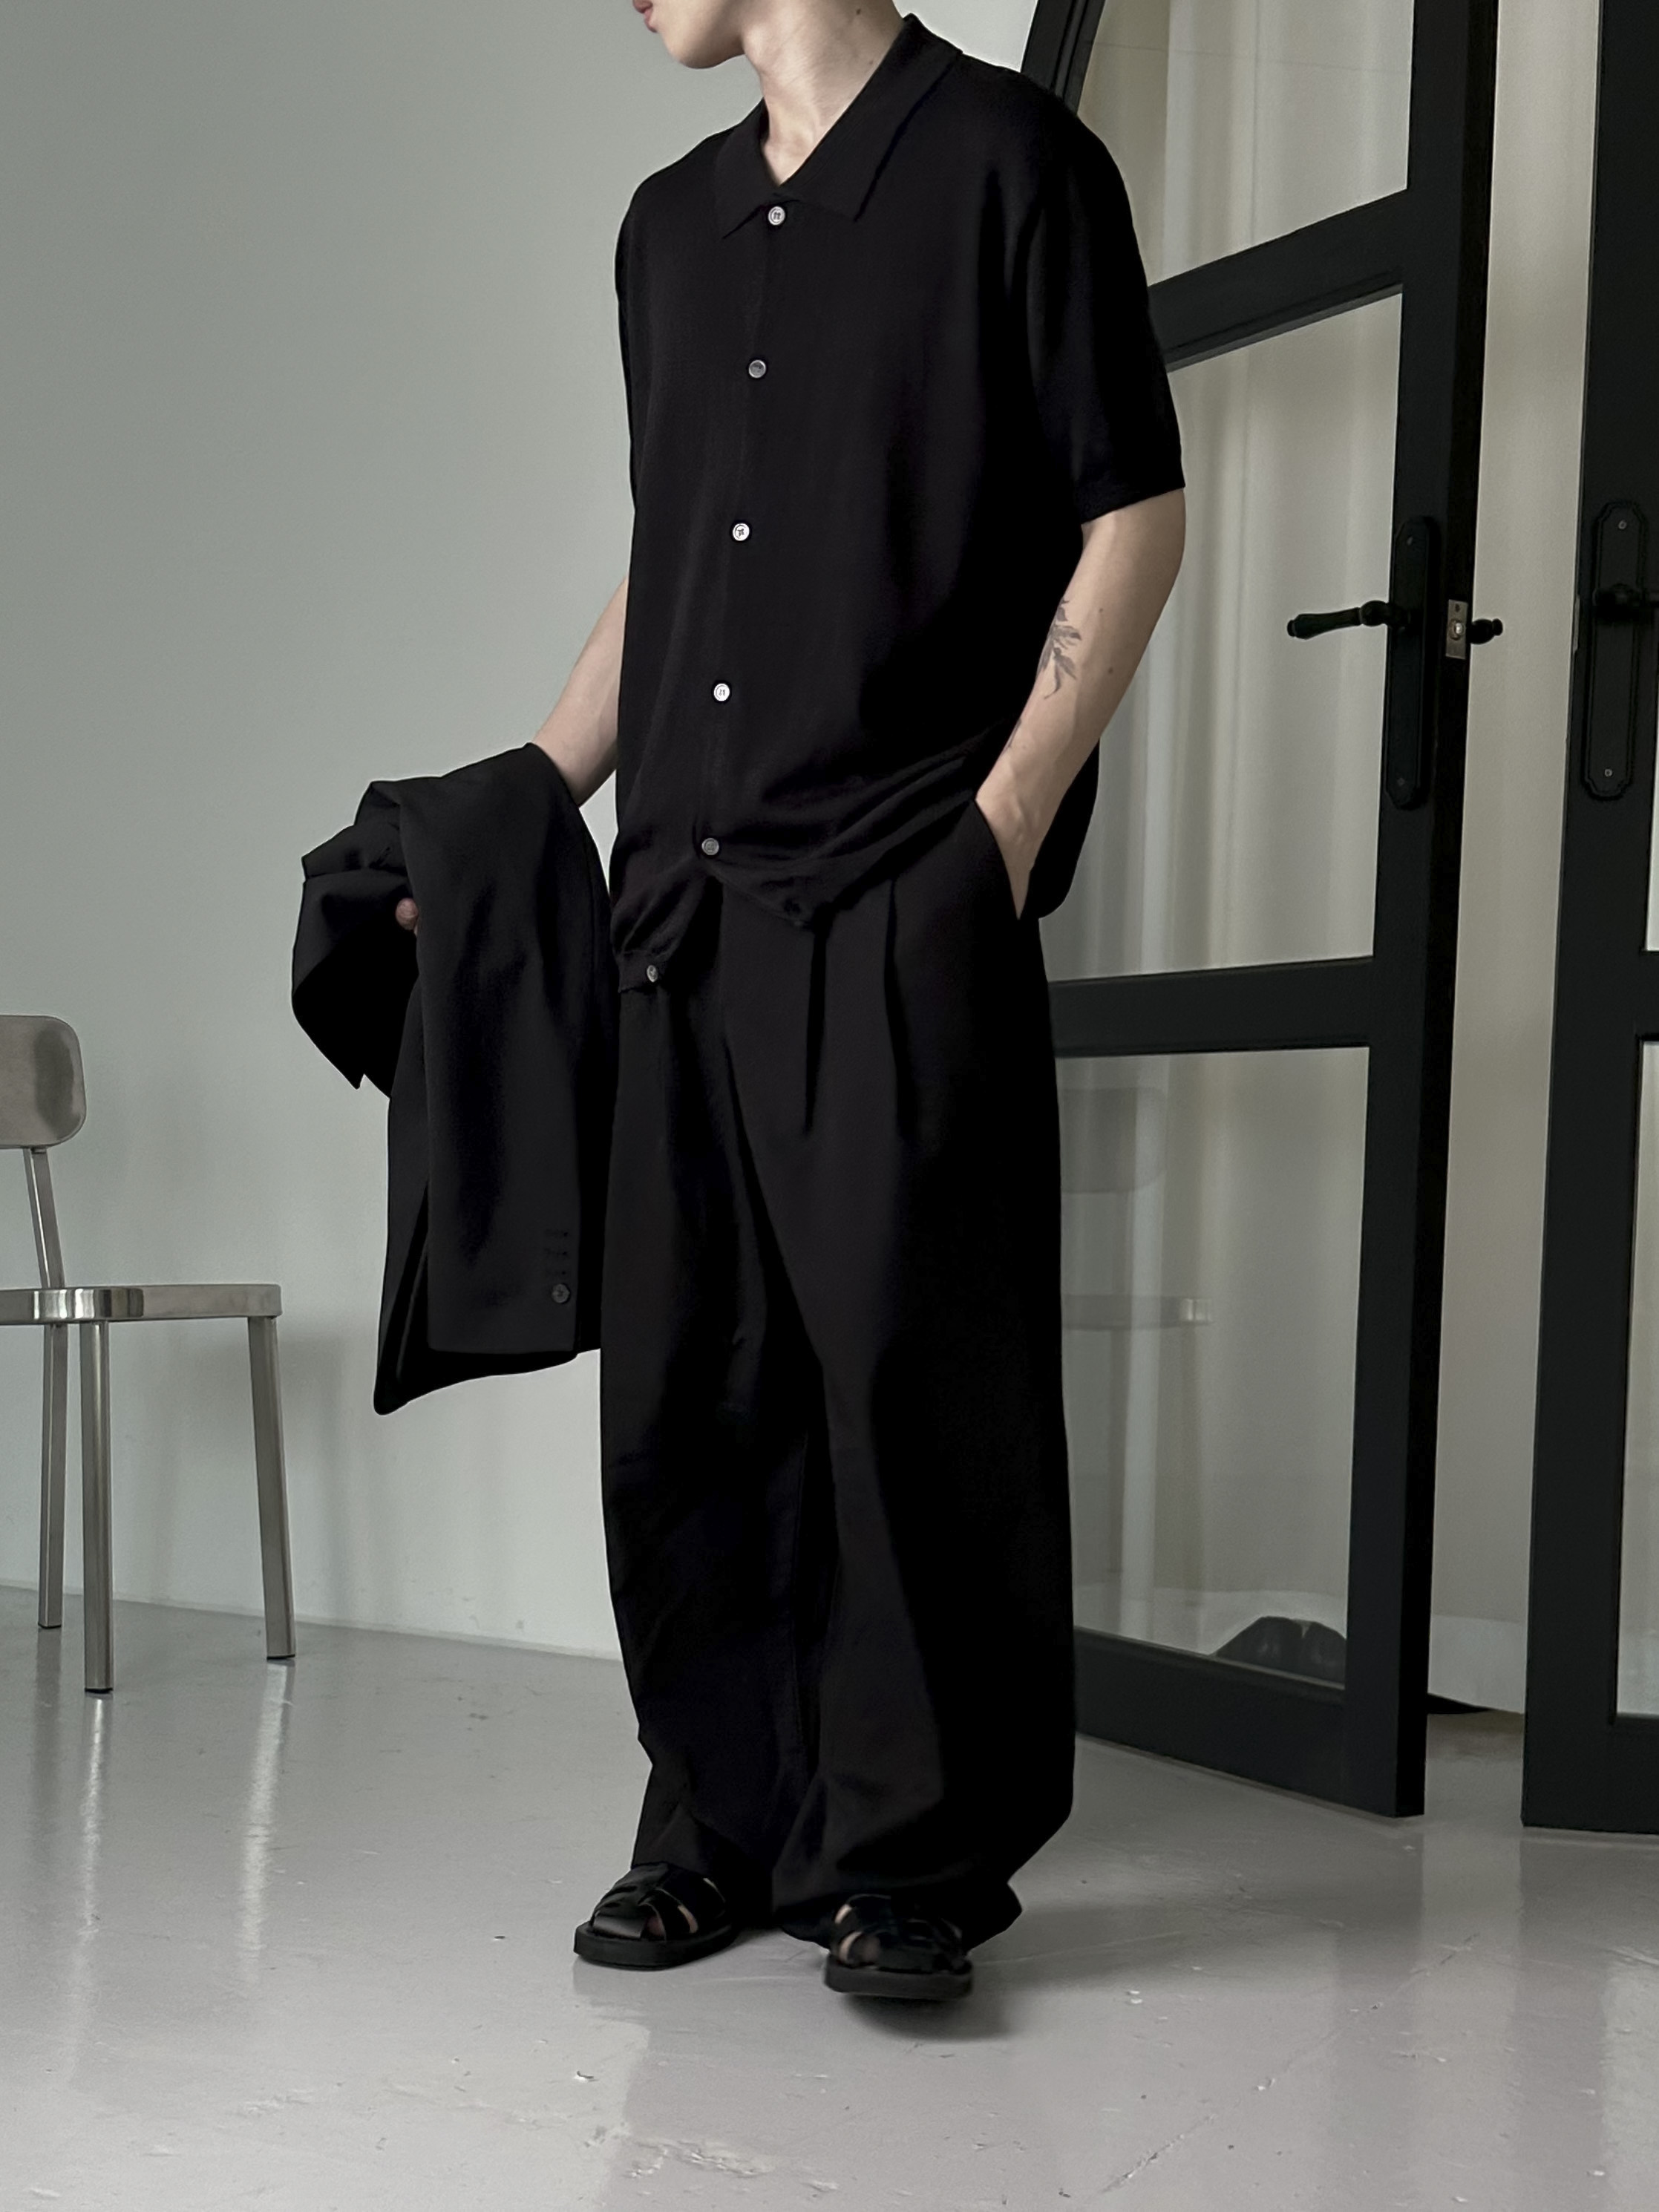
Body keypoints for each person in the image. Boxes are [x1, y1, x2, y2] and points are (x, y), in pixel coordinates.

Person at [402, 0, 1183, 2001]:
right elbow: (669, 558)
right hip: (681, 898)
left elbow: (1131, 507)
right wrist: (522, 799)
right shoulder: (665, 230)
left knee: (913, 1384)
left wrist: (999, 833)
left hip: (898, 876)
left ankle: (908, 1856)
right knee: (691, 1387)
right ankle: (715, 1826)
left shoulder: (1013, 168)